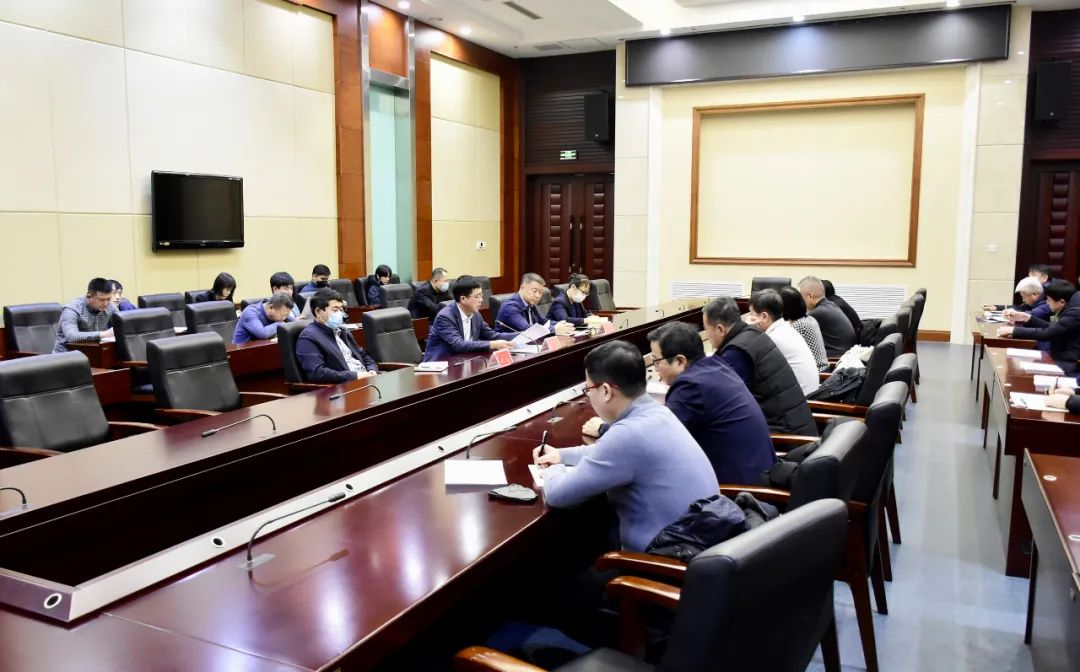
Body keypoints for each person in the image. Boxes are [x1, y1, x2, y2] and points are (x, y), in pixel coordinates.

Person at [533, 340, 719, 553]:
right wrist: (561, 456)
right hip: (701, 538)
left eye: (588, 389)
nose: (589, 395)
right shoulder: (659, 412)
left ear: (605, 391)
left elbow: (558, 495)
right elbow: (606, 452)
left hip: (662, 557)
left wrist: (552, 470)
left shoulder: (627, 435)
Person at [647, 322, 776, 484]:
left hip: (742, 491)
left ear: (680, 361)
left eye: (657, 361)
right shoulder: (717, 365)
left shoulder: (690, 386)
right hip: (761, 471)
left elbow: (659, 439)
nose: (656, 368)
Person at [703, 297, 818, 436]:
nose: (706, 335)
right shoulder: (752, 334)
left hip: (786, 436)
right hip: (795, 423)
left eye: (706, 329)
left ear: (720, 329)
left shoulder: (736, 353)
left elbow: (716, 400)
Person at [422, 275, 514, 361]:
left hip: (464, 361)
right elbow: (458, 345)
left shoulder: (476, 315)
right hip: (440, 365)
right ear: (463, 299)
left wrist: (521, 335)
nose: (481, 300)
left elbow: (492, 336)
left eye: (481, 295)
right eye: (477, 296)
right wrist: (491, 344)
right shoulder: (445, 317)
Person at [296, 288, 380, 383]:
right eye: (335, 310)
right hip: (346, 385)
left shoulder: (343, 331)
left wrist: (372, 369)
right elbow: (318, 373)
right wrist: (355, 376)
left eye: (341, 309)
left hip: (367, 378)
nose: (340, 314)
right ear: (318, 312)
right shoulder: (308, 337)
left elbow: (363, 355)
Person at [998, 280, 1080, 374]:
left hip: (1066, 365)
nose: (1047, 303)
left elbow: (1047, 333)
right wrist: (1027, 318)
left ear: (1061, 302)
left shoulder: (1074, 313)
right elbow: (1053, 328)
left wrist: (1013, 330)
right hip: (1058, 358)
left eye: (1049, 299)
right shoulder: (1071, 309)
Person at [747, 289, 820, 395]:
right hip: (803, 395)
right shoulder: (785, 328)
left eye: (751, 313)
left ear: (764, 317)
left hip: (800, 400)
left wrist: (747, 329)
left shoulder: (773, 338)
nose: (748, 318)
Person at [494, 272, 574, 335]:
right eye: (534, 291)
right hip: (510, 347)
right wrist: (555, 329)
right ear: (522, 288)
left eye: (540, 292)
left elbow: (543, 321)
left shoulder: (530, 303)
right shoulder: (510, 307)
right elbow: (528, 330)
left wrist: (563, 325)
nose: (537, 296)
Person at [53, 277, 117, 353]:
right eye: (101, 300)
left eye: (108, 299)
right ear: (89, 297)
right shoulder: (72, 309)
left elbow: (123, 324)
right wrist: (103, 334)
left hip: (94, 352)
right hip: (67, 355)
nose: (106, 303)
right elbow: (71, 336)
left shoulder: (110, 306)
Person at [798, 276, 856, 357]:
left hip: (835, 357)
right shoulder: (831, 305)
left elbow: (796, 330)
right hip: (844, 353)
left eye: (801, 297)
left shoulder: (819, 313)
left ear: (810, 296)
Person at [779, 286, 828, 372]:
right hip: (822, 369)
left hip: (817, 373)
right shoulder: (809, 319)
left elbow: (781, 350)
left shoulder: (798, 326)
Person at [986, 263, 1054, 311]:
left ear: (1045, 278)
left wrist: (1017, 315)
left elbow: (1033, 314)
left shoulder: (1050, 293)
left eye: (1033, 276)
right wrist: (997, 307)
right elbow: (1022, 307)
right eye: (1029, 276)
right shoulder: (1036, 290)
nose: (1029, 279)